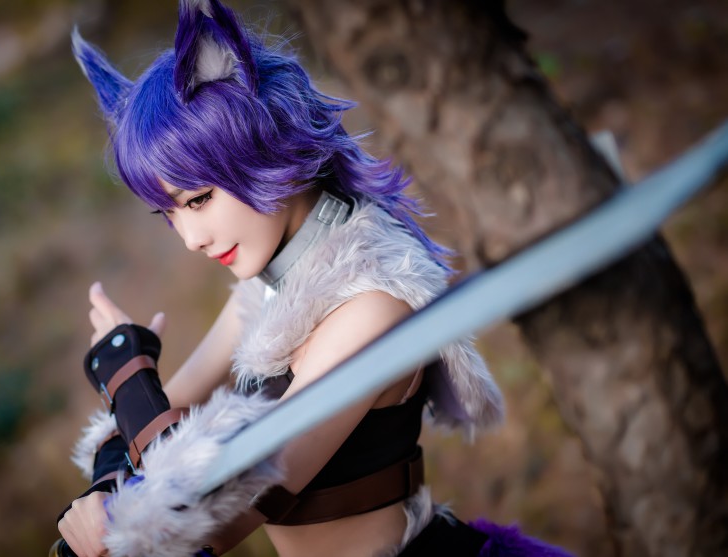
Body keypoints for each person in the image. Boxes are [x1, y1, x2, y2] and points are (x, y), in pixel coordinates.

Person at [57, 1, 574, 556]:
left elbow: (205, 521)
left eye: (200, 198)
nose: (191, 238)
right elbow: (149, 437)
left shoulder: (373, 301)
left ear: (260, 144)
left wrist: (126, 374)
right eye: (170, 212)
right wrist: (107, 497)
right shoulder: (267, 288)